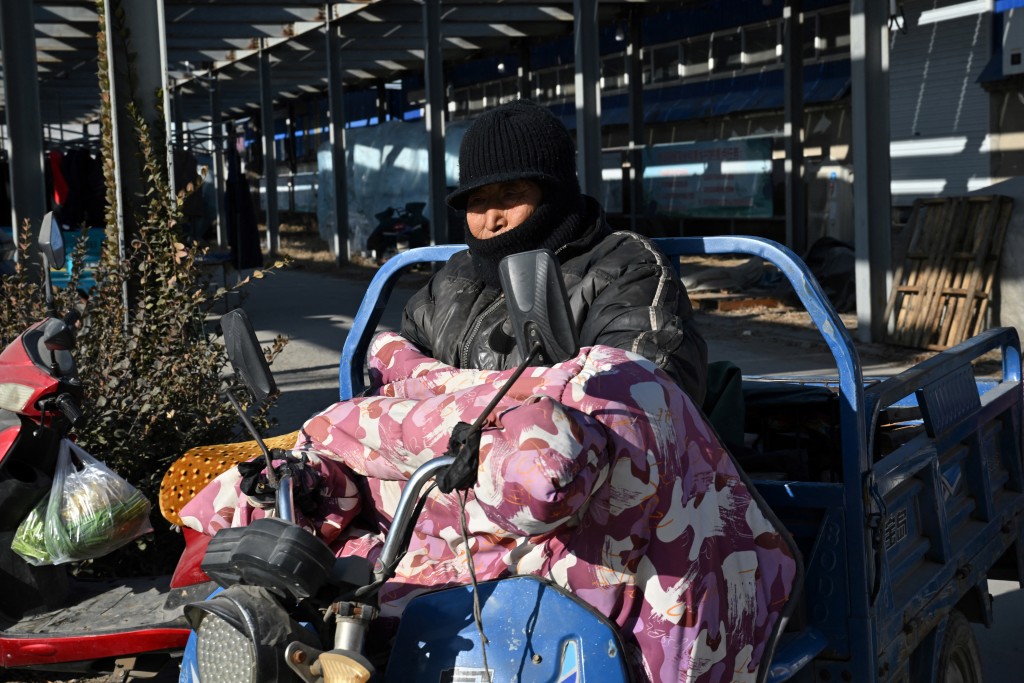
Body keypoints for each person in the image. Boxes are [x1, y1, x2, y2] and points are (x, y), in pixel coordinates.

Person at [401, 99, 708, 404]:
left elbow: (636, 398)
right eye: (477, 201)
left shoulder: (627, 270)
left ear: (555, 196)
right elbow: (399, 365)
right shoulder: (454, 277)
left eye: (510, 194)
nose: (492, 219)